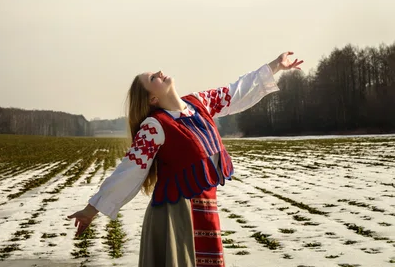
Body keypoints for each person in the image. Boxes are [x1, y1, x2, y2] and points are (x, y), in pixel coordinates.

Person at [68, 51, 303, 266]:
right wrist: (91, 210)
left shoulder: (199, 104)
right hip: (175, 216)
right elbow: (130, 171)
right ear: (152, 100)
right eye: (153, 79)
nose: (160, 73)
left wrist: (276, 66)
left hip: (205, 211)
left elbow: (236, 91)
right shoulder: (155, 125)